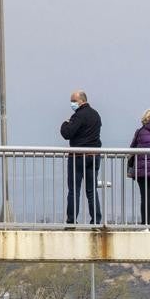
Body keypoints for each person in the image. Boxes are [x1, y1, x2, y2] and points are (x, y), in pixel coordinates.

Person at [60, 90, 103, 226]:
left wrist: (64, 124)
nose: (72, 104)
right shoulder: (96, 115)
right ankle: (96, 220)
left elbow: (67, 133)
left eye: (73, 101)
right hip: (94, 156)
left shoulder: (78, 116)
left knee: (74, 190)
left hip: (78, 157)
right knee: (91, 190)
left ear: (81, 101)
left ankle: (71, 220)